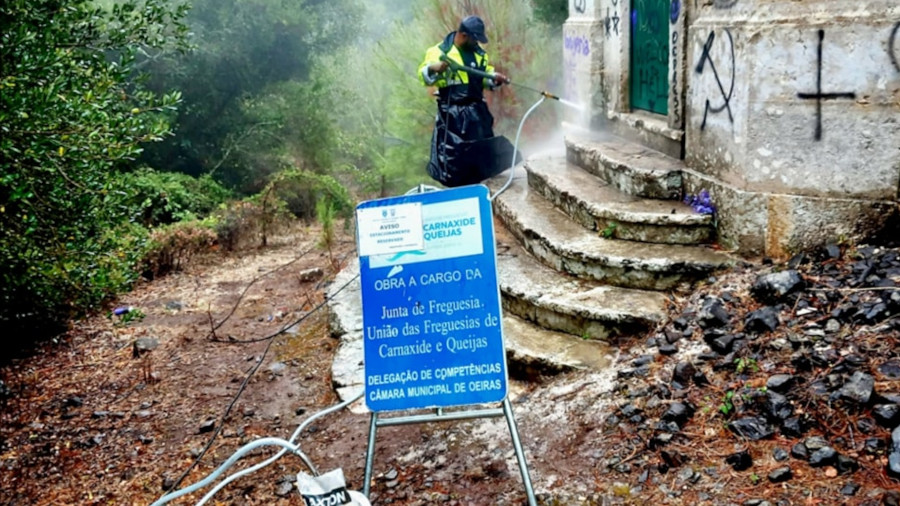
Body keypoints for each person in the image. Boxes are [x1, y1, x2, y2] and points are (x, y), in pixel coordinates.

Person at [418, 15, 518, 187]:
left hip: (477, 112)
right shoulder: (439, 52)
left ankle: (485, 188)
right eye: (475, 39)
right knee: (455, 159)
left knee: (483, 155)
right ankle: (463, 191)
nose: (477, 43)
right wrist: (433, 68)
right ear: (464, 35)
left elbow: (484, 76)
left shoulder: (479, 55)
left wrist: (493, 78)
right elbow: (423, 76)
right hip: (452, 114)